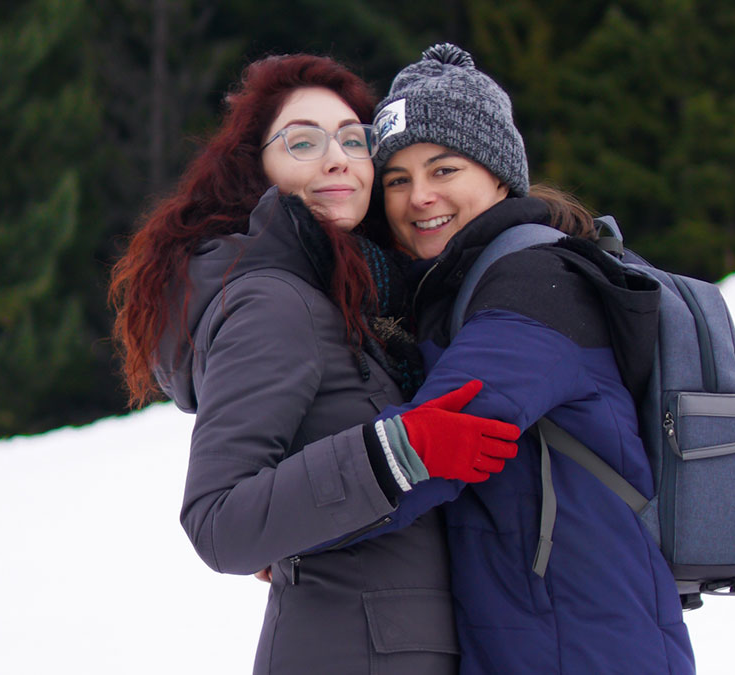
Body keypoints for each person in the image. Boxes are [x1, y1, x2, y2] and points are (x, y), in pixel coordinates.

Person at [107, 53, 519, 675]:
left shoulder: (351, 298)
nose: (337, 158)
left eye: (356, 141)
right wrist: (397, 452)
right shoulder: (276, 302)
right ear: (256, 169)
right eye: (303, 142)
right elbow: (218, 519)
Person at [364, 44, 697, 673]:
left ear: (497, 175)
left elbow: (441, 438)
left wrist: (290, 520)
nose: (419, 198)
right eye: (397, 180)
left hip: (585, 648)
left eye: (443, 170)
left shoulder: (535, 285)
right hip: (544, 639)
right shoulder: (457, 290)